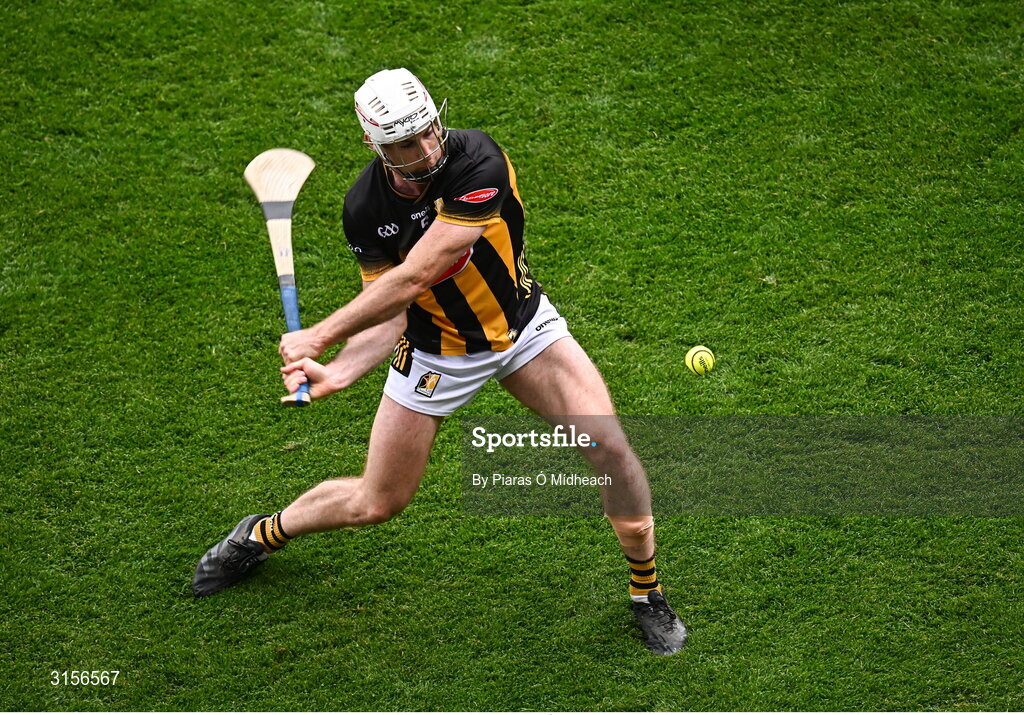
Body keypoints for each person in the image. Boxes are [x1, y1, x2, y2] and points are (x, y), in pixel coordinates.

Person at [192, 68, 686, 655]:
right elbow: (395, 311)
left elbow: (420, 272)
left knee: (609, 449)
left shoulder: (477, 160)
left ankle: (646, 591)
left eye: (429, 131)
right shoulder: (364, 209)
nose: (426, 150)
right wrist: (342, 369)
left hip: (524, 328)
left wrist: (320, 334)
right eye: (405, 143)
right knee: (377, 502)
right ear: (373, 144)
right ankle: (261, 534)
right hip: (436, 351)